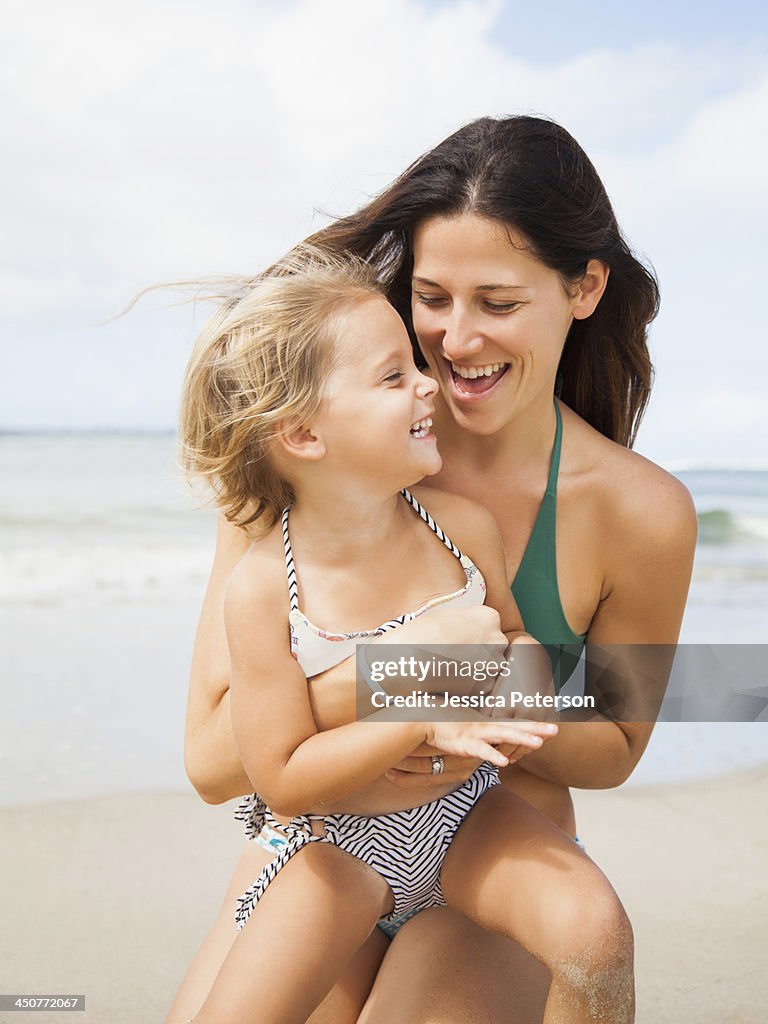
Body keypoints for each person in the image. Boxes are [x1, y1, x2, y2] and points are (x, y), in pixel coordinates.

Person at [166, 115, 697, 1024]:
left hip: (488, 851)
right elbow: (217, 765)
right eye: (433, 297)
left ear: (584, 288)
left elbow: (614, 745)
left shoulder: (640, 513)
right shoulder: (315, 456)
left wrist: (434, 681)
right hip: (320, 845)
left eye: (498, 303)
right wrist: (424, 676)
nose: (454, 343)